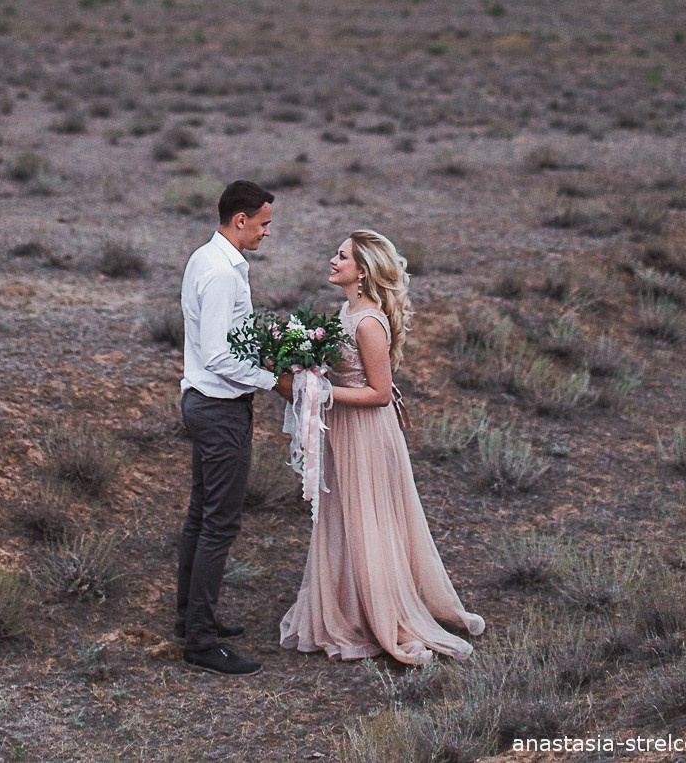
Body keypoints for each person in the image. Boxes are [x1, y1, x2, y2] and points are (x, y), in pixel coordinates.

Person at [280, 229, 484, 665]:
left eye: (342, 257)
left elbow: (378, 392)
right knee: (346, 515)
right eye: (335, 254)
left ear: (363, 271)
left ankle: (382, 613)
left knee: (369, 515)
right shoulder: (346, 310)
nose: (333, 261)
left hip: (368, 431)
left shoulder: (368, 322)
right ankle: (350, 605)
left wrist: (321, 392)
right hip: (345, 429)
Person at [176, 179, 292, 675]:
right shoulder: (222, 272)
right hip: (219, 408)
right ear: (239, 219)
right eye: (263, 223)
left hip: (207, 402)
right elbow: (220, 354)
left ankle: (190, 619)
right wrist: (276, 382)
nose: (268, 232)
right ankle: (200, 641)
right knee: (219, 524)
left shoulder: (210, 258)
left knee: (202, 516)